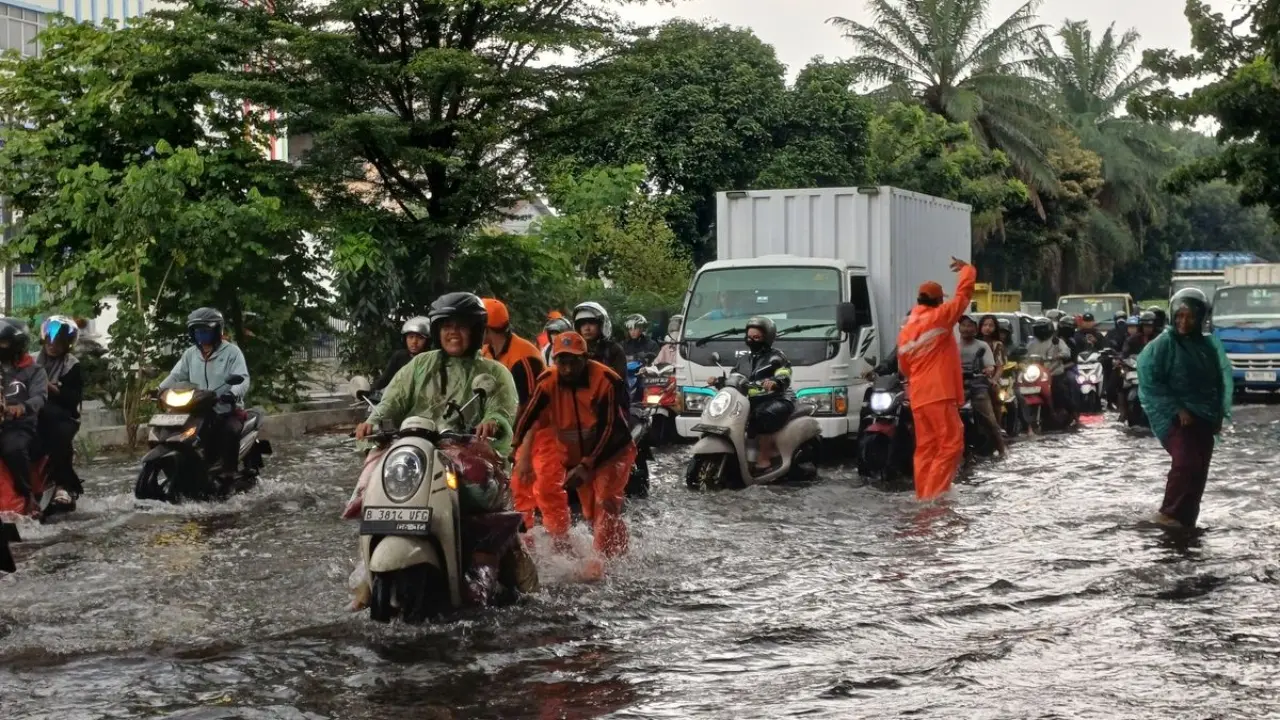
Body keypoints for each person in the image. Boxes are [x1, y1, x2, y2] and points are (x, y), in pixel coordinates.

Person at [513, 331, 636, 568]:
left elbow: (611, 429)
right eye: (562, 362)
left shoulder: (607, 381)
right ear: (555, 361)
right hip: (577, 457)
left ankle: (598, 565)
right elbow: (529, 415)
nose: (567, 368)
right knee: (592, 515)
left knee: (605, 501)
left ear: (586, 359)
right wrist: (516, 451)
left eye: (573, 361)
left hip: (612, 452)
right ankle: (622, 555)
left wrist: (587, 464)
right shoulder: (548, 381)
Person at [1138, 288, 1232, 529]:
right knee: (1185, 463)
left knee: (1199, 470)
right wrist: (1177, 409)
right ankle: (1168, 514)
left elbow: (1220, 381)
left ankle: (1187, 520)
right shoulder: (1164, 345)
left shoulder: (1208, 346)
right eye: (1179, 316)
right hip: (1177, 419)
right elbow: (1150, 380)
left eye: (1190, 316)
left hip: (1205, 417)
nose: (1184, 322)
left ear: (1201, 317)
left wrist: (1219, 413)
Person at [896, 257, 976, 500]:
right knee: (951, 443)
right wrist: (967, 270)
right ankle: (935, 494)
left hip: (919, 396)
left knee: (926, 448)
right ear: (939, 300)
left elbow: (904, 367)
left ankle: (923, 495)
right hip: (938, 393)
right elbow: (963, 296)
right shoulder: (940, 317)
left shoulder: (907, 330)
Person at [480, 298, 548, 538]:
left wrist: (522, 449)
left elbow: (532, 408)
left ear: (486, 328)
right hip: (506, 432)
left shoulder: (524, 357)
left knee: (527, 490)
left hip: (536, 434)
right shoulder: (487, 352)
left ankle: (530, 542)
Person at [159, 308, 250, 485]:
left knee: (230, 430)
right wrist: (159, 389)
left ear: (217, 331)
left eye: (206, 331)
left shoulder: (232, 352)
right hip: (198, 405)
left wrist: (232, 393)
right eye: (198, 331)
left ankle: (228, 472)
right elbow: (176, 375)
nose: (202, 335)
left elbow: (243, 379)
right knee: (178, 430)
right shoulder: (190, 354)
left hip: (227, 407)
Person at [709, 316, 795, 473]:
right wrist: (718, 381)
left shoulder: (776, 357)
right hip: (752, 400)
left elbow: (784, 373)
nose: (752, 341)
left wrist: (776, 382)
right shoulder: (744, 359)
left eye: (757, 337)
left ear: (767, 338)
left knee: (762, 415)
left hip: (778, 397)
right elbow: (735, 378)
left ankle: (764, 458)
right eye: (749, 337)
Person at [0, 319, 48, 516]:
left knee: (12, 449)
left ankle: (27, 496)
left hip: (19, 425)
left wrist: (21, 407)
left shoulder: (35, 370)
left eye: (3, 343)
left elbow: (40, 397)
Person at [35, 315, 84, 509]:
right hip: (33, 410)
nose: (52, 345)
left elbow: (72, 399)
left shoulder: (72, 364)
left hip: (64, 415)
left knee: (58, 435)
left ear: (67, 344)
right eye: (49, 340)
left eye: (58, 342)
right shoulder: (31, 360)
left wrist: (49, 387)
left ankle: (63, 485)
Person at [962, 316, 1007, 456]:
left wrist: (989, 372)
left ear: (975, 329)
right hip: (957, 386)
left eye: (970, 325)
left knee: (990, 420)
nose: (966, 328)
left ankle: (1002, 450)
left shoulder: (983, 346)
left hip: (978, 384)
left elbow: (993, 366)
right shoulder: (953, 345)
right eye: (963, 325)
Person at [1024, 317, 1073, 417]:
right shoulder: (1031, 344)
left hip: (1053, 373)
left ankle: (1072, 414)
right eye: (1039, 329)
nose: (1041, 331)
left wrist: (1059, 355)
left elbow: (1066, 352)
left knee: (1059, 390)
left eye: (1043, 328)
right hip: (1036, 375)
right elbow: (1025, 355)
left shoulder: (1057, 341)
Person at [371, 317, 430, 392]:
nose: (414, 342)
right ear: (405, 339)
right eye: (411, 337)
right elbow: (385, 379)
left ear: (428, 341)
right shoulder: (399, 356)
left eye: (420, 338)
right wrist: (370, 391)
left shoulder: (432, 359)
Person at [572, 302, 628, 380]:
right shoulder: (574, 350)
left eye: (591, 323)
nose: (587, 328)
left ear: (602, 325)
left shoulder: (614, 350)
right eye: (582, 324)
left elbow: (621, 383)